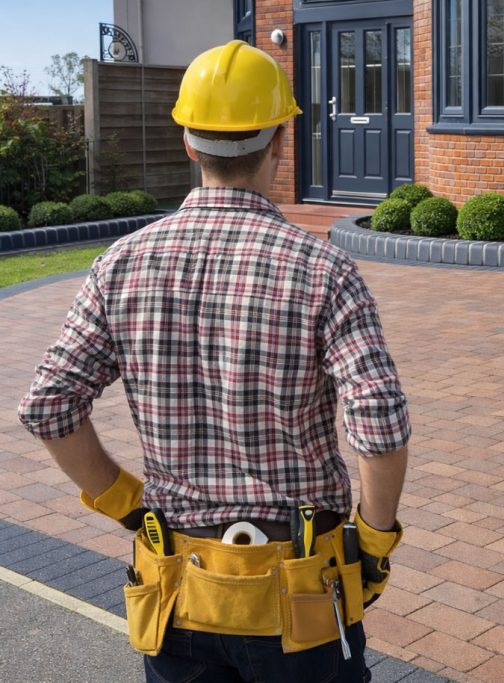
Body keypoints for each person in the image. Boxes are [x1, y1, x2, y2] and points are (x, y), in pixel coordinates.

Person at [18, 40, 410, 682]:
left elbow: (48, 406)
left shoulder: (123, 265)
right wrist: (372, 541)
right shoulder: (323, 271)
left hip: (176, 592)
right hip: (301, 596)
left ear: (189, 144)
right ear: (280, 141)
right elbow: (380, 426)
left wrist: (124, 502)